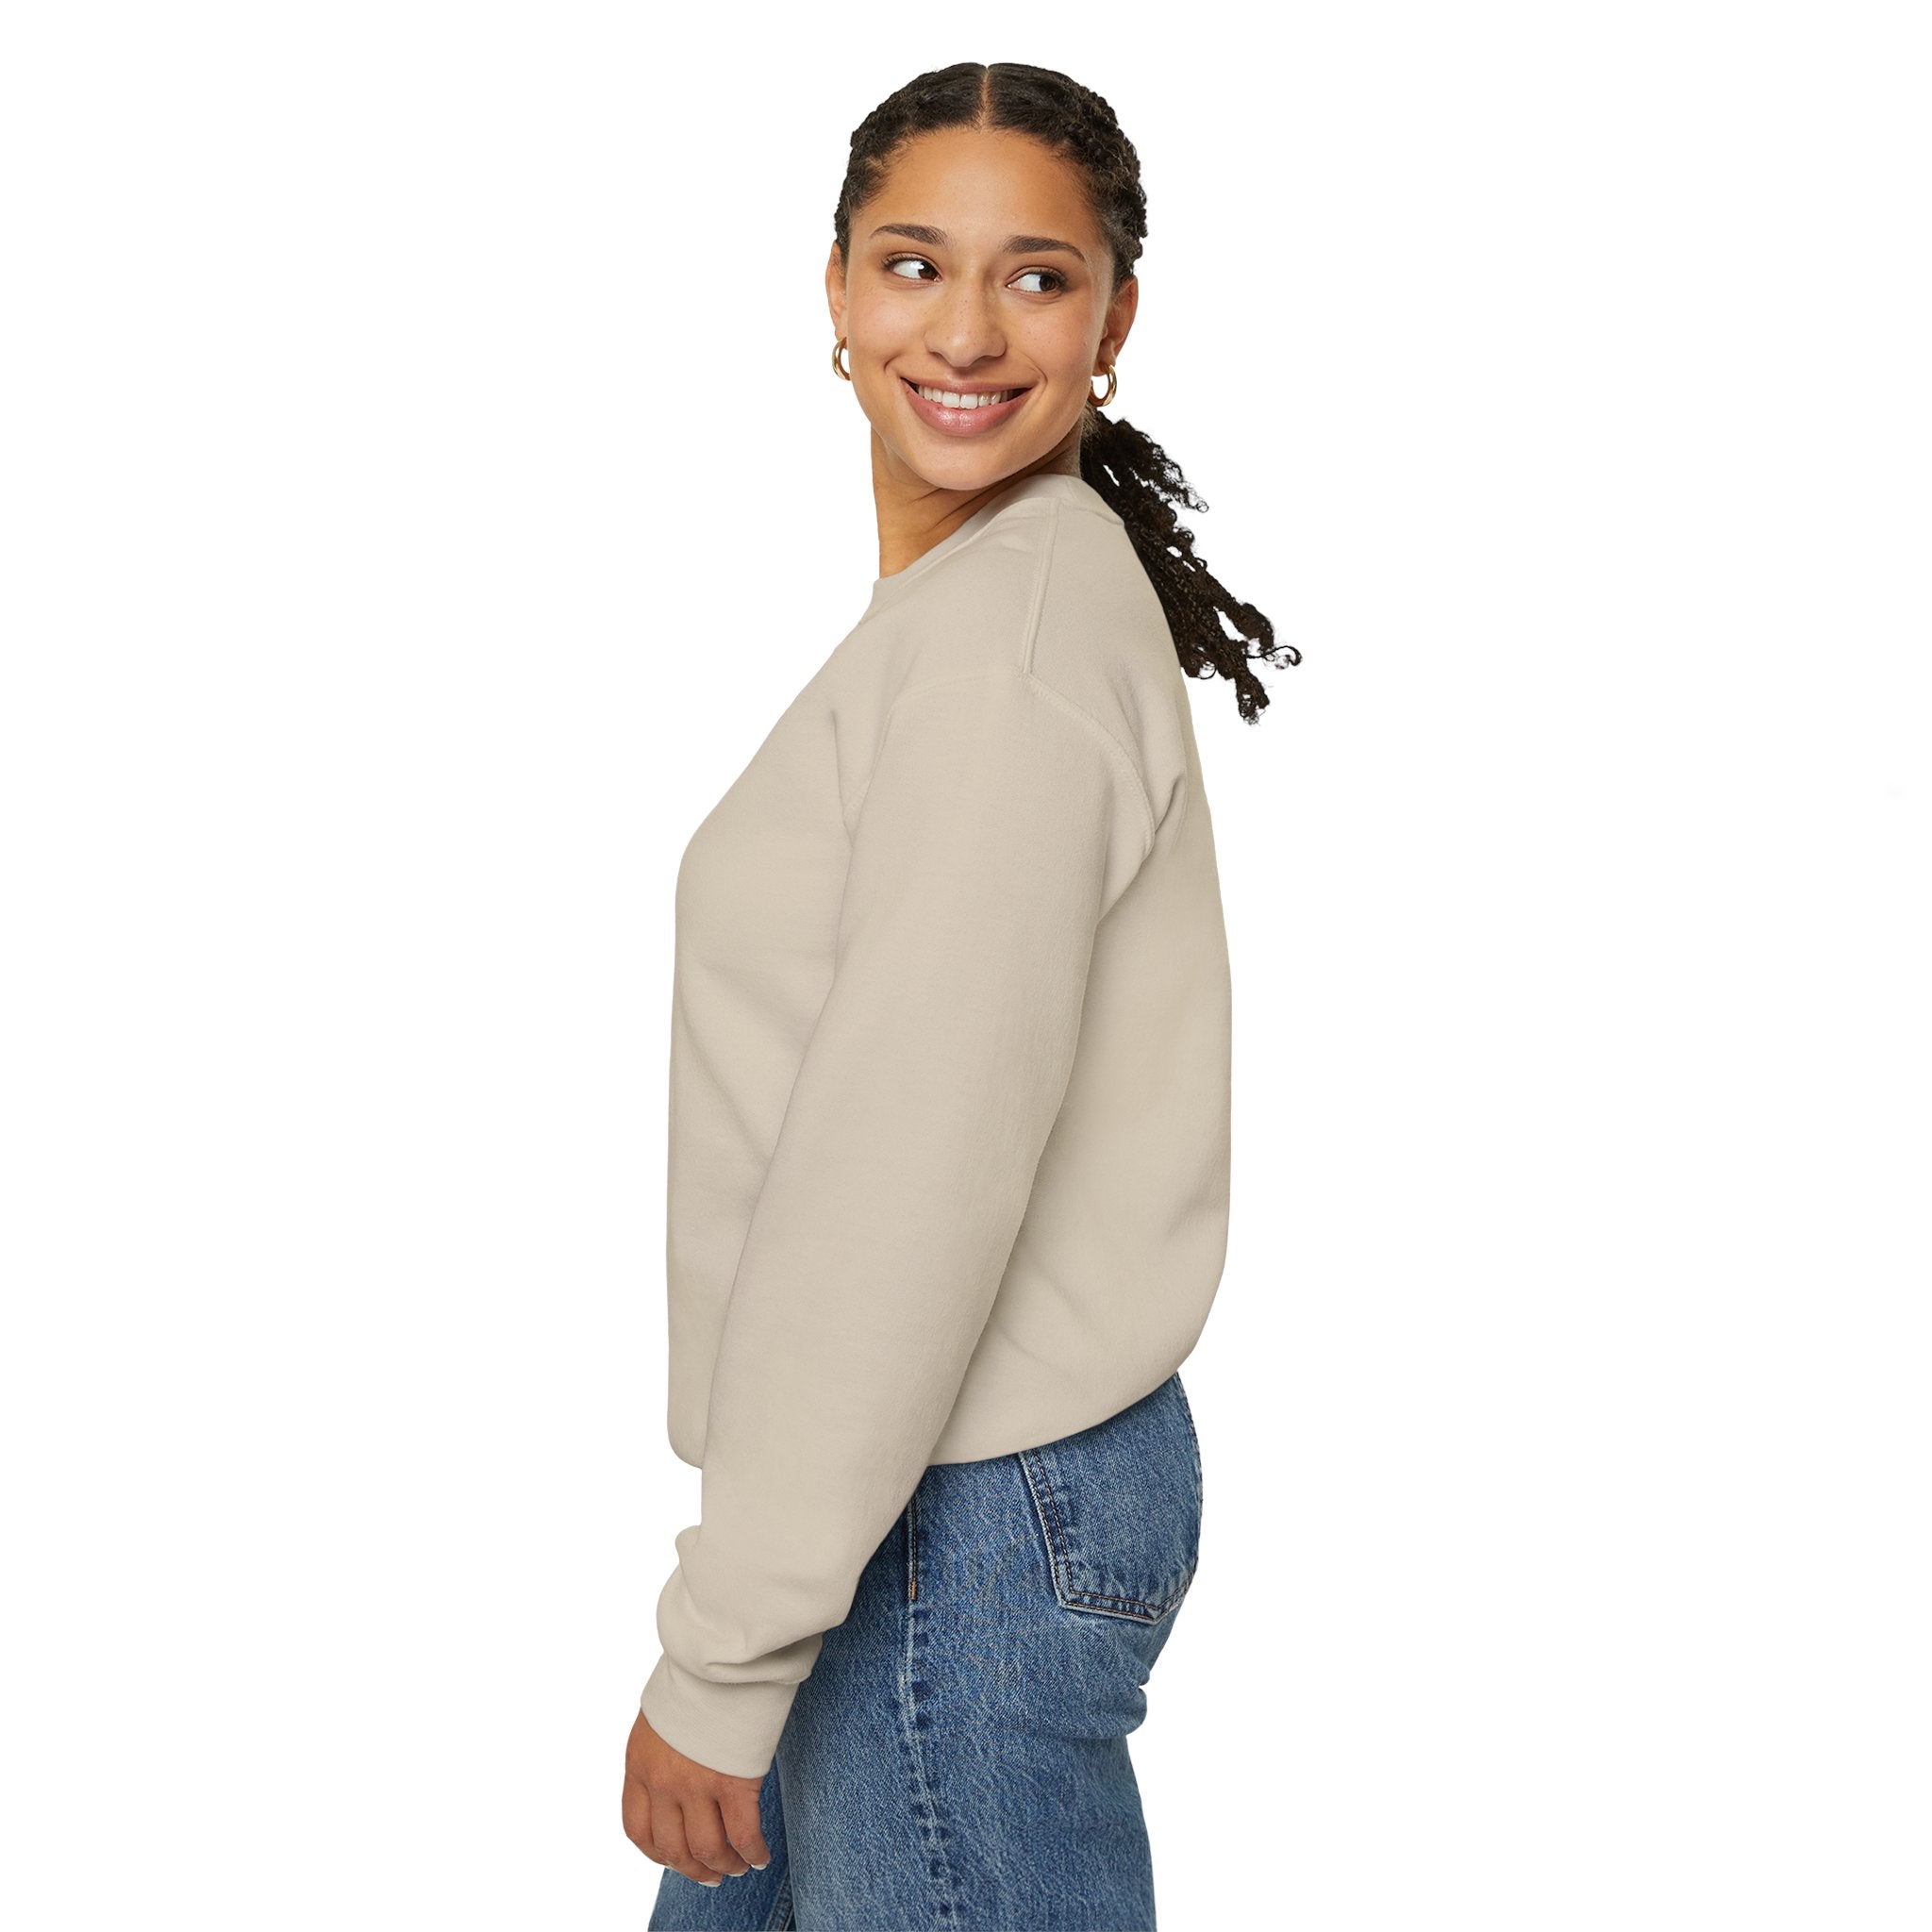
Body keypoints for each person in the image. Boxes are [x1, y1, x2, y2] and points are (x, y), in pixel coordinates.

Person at [621, 60, 1294, 1932]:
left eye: (1038, 275)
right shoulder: (983, 608)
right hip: (911, 1503)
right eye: (917, 264)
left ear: (1115, 318)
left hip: (954, 1520)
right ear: (833, 288)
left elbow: (903, 1175)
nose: (968, 330)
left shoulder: (1006, 648)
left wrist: (724, 1654)